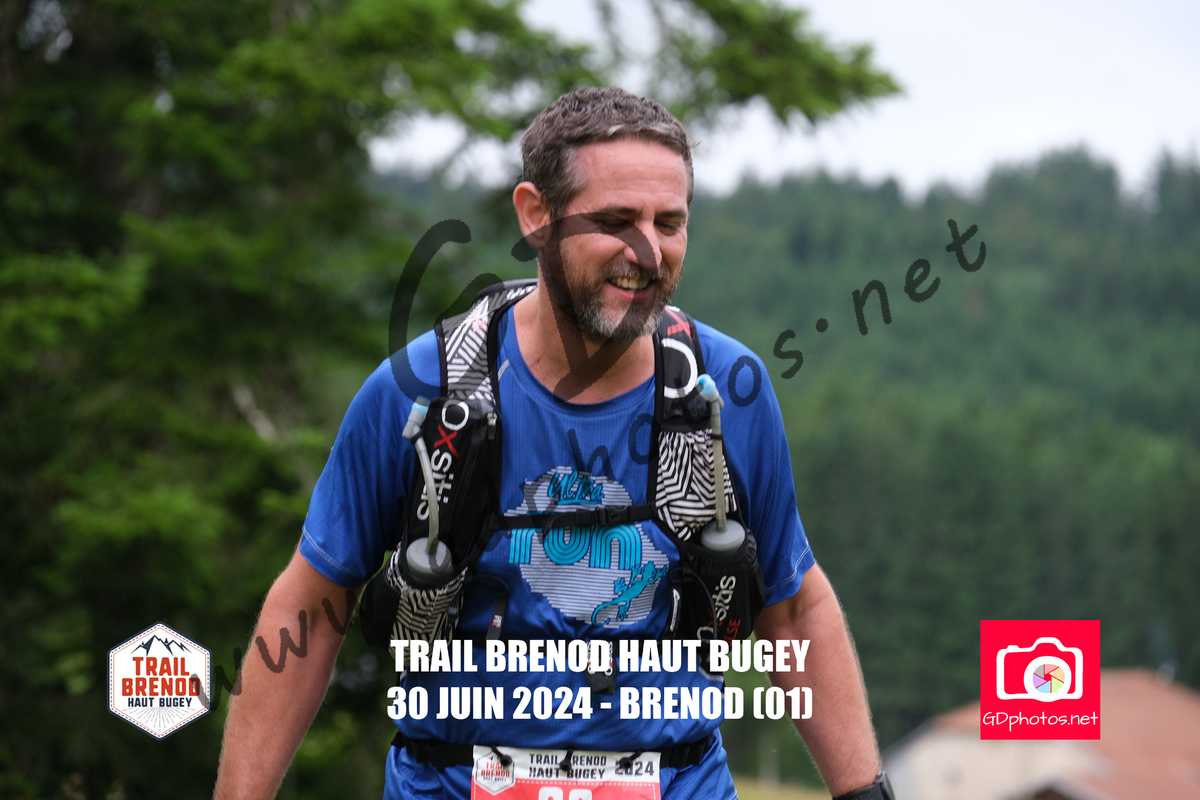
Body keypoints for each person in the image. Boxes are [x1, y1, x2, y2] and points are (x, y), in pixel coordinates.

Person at [214, 86, 889, 799]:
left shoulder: (725, 393)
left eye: (669, 222)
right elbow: (310, 609)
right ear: (536, 215)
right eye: (616, 220)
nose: (647, 251)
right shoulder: (420, 393)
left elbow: (793, 607)